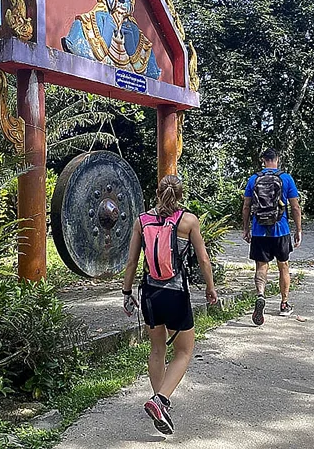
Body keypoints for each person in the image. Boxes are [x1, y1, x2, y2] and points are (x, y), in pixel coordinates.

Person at [121, 175, 218, 435]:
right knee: (184, 352)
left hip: (150, 294)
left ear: (157, 193)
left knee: (157, 349)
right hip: (176, 294)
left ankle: (159, 401)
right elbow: (203, 259)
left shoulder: (142, 221)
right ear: (181, 195)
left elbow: (131, 262)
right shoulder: (188, 220)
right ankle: (161, 400)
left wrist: (126, 292)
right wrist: (210, 287)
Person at [242, 148, 302, 325]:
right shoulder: (286, 178)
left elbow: (246, 206)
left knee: (261, 266)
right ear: (277, 159)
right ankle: (284, 304)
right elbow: (295, 207)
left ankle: (261, 294)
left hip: (259, 230)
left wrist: (245, 228)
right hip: (281, 230)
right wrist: (298, 230)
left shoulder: (253, 179)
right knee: (283, 266)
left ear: (263, 160)